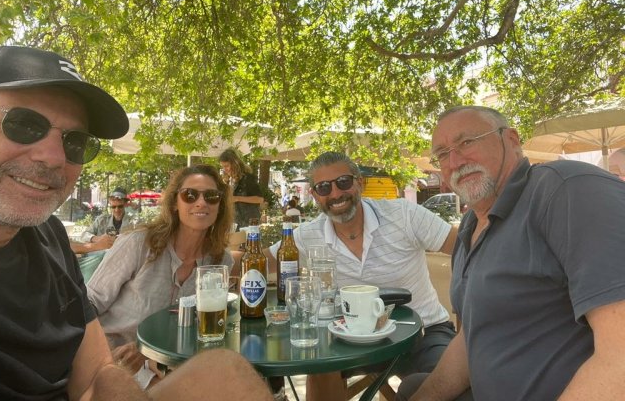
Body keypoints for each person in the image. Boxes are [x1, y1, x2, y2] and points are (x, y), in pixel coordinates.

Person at [0, 45, 272, 400]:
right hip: (136, 363)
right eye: (25, 125)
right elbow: (100, 321)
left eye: (76, 142)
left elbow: (97, 373)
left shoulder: (49, 235)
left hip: (144, 366)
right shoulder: (139, 243)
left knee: (227, 370)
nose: (54, 157)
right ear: (174, 203)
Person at [397, 105, 625, 400]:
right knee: (412, 389)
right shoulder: (469, 227)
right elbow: (472, 337)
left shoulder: (567, 189)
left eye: (467, 142)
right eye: (442, 154)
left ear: (511, 140)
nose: (454, 161)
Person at [266, 151, 459, 401]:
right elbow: (259, 262)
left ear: (359, 182)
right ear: (314, 195)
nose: (335, 193)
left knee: (448, 387)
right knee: (321, 369)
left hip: (423, 332)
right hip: (347, 338)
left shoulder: (404, 215)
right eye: (324, 187)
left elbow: (465, 246)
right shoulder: (306, 235)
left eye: (343, 182)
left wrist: (470, 302)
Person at [87, 164, 234, 387]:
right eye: (190, 195)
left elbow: (207, 327)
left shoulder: (220, 261)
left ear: (220, 206)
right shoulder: (139, 243)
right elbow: (87, 304)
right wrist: (104, 354)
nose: (201, 202)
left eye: (211, 196)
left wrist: (148, 353)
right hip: (113, 359)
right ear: (175, 203)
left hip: (170, 361)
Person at [73, 187, 136, 254]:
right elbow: (84, 235)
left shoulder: (133, 223)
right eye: (113, 207)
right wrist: (97, 239)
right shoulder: (101, 220)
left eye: (120, 206)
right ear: (110, 205)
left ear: (125, 205)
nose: (117, 210)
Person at [219, 147, 264, 228]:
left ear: (235, 164)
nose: (224, 169)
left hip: (249, 225)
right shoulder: (229, 180)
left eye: (226, 166)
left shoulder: (247, 178)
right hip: (235, 224)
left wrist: (237, 198)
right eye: (223, 167)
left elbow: (260, 199)